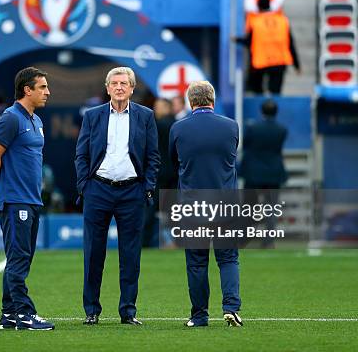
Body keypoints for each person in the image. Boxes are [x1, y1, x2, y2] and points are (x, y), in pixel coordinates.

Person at [75, 66, 160, 326]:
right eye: (115, 83)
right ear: (108, 87)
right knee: (93, 253)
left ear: (132, 88)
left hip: (132, 191)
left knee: (131, 254)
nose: (119, 87)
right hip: (98, 189)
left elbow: (153, 156)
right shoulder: (93, 116)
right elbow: (81, 154)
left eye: (124, 83)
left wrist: (147, 186)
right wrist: (84, 186)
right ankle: (92, 310)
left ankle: (128, 311)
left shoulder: (145, 116)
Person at [0, 67, 54, 331]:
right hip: (15, 200)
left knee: (18, 258)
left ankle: (9, 314)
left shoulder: (36, 120)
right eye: (42, 87)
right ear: (27, 90)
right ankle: (24, 313)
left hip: (31, 199)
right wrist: (0, 181)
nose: (47, 92)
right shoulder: (10, 118)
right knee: (20, 258)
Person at [169, 81, 242, 328]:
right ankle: (231, 307)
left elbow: (173, 162)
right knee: (228, 258)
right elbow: (231, 156)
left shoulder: (178, 129)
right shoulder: (231, 126)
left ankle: (199, 316)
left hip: (192, 205)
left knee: (197, 262)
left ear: (191, 102)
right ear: (212, 99)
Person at [240, 99, 287, 247]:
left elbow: (246, 145)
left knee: (248, 207)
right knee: (271, 208)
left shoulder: (253, 128)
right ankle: (268, 241)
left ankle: (244, 239)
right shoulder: (282, 129)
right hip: (274, 172)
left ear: (261, 112)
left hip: (253, 173)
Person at [239, 0, 300, 94]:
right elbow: (290, 43)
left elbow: (248, 41)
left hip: (260, 61)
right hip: (280, 61)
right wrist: (297, 65)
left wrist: (237, 40)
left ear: (258, 7)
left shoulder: (255, 22)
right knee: (275, 93)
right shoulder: (282, 21)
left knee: (258, 92)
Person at [143, 98, 176, 247]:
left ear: (168, 108)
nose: (155, 110)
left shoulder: (158, 126)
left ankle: (144, 241)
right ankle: (176, 242)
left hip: (157, 174)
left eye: (159, 107)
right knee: (175, 210)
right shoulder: (179, 125)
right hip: (176, 173)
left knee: (149, 209)